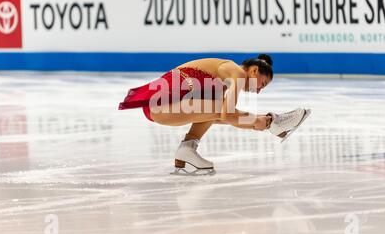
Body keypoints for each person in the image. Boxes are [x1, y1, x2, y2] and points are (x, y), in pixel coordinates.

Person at [118, 55, 310, 175]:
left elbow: (218, 115)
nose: (259, 91)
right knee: (219, 108)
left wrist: (257, 121)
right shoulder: (238, 74)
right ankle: (274, 123)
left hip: (159, 107)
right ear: (254, 70)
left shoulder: (221, 82)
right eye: (262, 83)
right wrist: (260, 122)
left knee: (214, 109)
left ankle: (186, 151)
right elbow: (226, 115)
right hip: (161, 104)